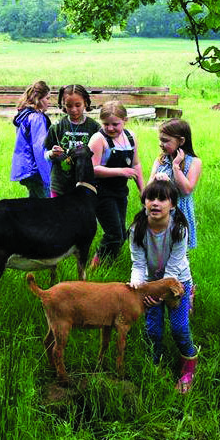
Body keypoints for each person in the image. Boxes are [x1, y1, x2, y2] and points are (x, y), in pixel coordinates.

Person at [129, 179, 198, 394]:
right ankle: (154, 364)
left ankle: (189, 368)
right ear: (144, 202)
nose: (155, 203)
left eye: (162, 199)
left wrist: (162, 293)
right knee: (153, 330)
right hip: (150, 286)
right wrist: (138, 288)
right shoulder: (137, 229)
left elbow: (174, 267)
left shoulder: (178, 229)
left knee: (179, 327)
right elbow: (138, 263)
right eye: (151, 198)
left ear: (173, 205)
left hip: (177, 282)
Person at [87, 100, 144, 266]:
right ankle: (94, 266)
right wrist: (120, 171)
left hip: (120, 192)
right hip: (101, 193)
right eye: (106, 124)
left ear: (125, 120)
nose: (110, 128)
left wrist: (143, 189)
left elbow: (136, 164)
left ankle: (110, 262)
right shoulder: (98, 139)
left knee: (121, 233)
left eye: (115, 124)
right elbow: (92, 169)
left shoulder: (130, 137)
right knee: (114, 234)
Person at [149, 119, 202, 250]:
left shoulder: (194, 162)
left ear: (181, 141)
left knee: (179, 251)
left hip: (180, 213)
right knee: (158, 250)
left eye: (166, 141)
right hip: (159, 212)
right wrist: (157, 181)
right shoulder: (160, 160)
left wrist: (176, 167)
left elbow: (186, 190)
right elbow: (148, 188)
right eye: (160, 140)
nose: (161, 144)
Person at [44, 84, 101, 197]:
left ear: (85, 102)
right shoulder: (57, 127)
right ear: (64, 105)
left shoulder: (94, 127)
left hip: (85, 186)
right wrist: (52, 154)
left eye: (78, 105)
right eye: (69, 106)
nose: (74, 110)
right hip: (60, 185)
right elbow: (45, 153)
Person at [10, 80, 52, 198]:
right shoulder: (37, 118)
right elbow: (40, 148)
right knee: (47, 209)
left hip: (26, 169)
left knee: (34, 207)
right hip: (36, 169)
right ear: (38, 98)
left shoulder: (24, 115)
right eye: (47, 98)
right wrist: (47, 177)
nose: (49, 102)